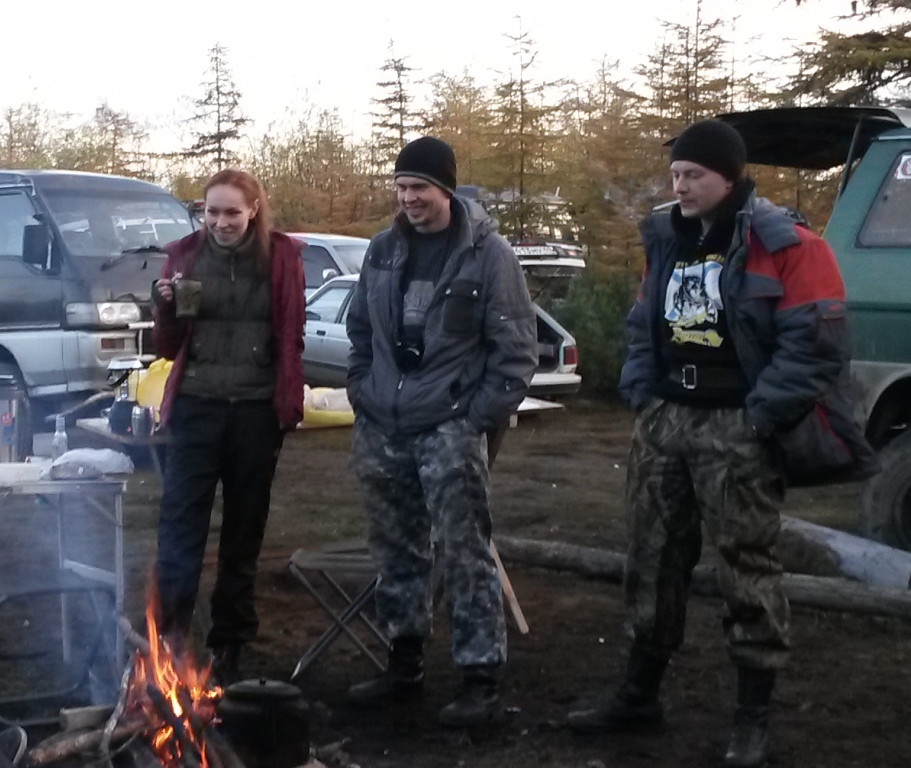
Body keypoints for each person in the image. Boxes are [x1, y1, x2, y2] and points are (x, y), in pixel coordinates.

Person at [566, 120, 877, 768]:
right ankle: (638, 693)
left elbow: (816, 347)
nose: (679, 186)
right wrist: (642, 393)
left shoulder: (787, 245)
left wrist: (758, 419)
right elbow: (642, 324)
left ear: (729, 178)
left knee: (747, 568)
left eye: (694, 175)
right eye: (675, 174)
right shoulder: (665, 239)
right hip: (665, 423)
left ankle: (751, 715)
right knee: (651, 559)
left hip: (738, 426)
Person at [345, 136, 538, 726]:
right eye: (401, 187)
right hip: (383, 426)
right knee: (395, 549)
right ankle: (403, 665)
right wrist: (362, 391)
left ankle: (481, 678)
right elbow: (359, 331)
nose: (409, 198)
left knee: (464, 551)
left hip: (448, 428)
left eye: (420, 188)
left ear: (446, 190)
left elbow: (515, 351)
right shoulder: (382, 250)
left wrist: (473, 418)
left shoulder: (489, 255)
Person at [150, 169, 306, 685]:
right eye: (211, 212)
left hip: (255, 412)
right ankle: (168, 640)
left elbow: (291, 334)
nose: (220, 222)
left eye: (231, 212)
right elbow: (168, 347)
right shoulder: (184, 256)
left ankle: (230, 641)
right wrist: (163, 308)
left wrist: (287, 403)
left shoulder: (281, 257)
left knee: (243, 532)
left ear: (254, 210)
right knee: (180, 529)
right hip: (197, 408)